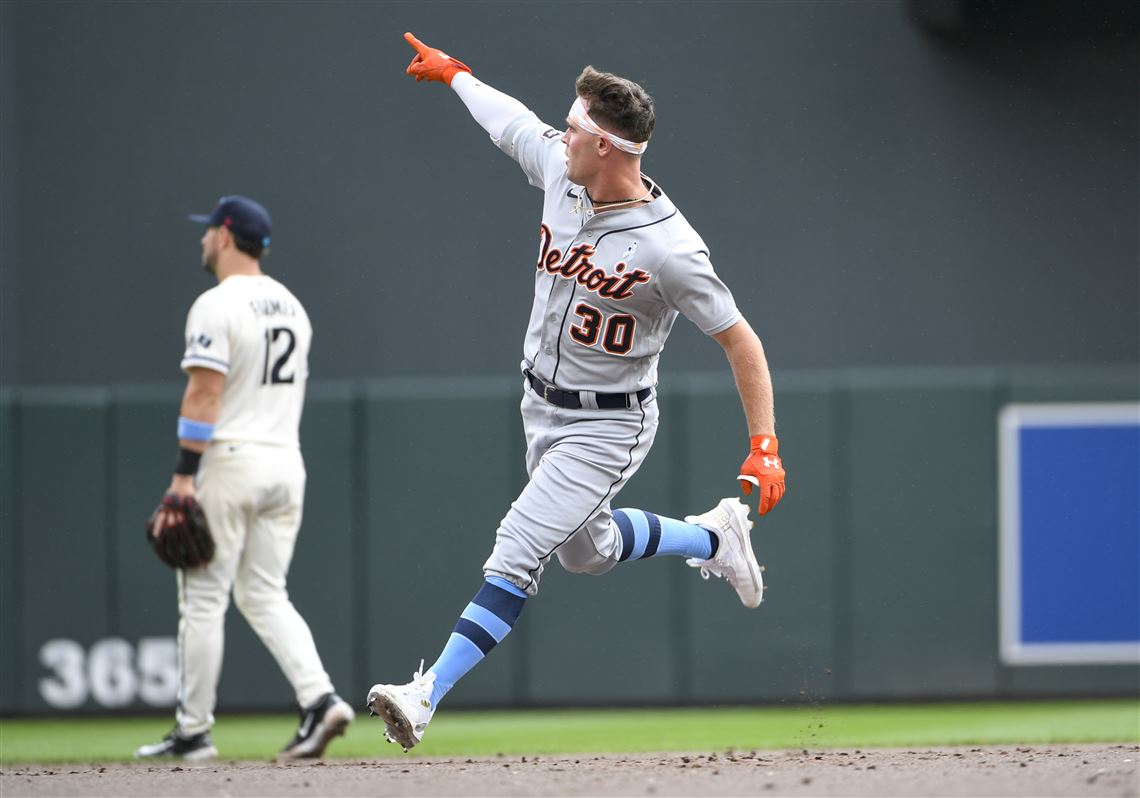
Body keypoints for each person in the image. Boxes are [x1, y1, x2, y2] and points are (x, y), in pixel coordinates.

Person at [366, 35, 788, 752]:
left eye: (574, 129)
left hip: (609, 424)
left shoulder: (671, 247)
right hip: (539, 405)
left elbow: (740, 340)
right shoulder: (567, 176)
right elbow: (509, 122)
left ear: (608, 148)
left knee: (519, 545)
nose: (561, 136)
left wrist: (765, 445)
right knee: (585, 552)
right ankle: (713, 536)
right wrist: (456, 74)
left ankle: (426, 691)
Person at [135, 196, 354, 761]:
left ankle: (193, 731)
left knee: (204, 598)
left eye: (207, 230)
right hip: (286, 460)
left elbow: (204, 392)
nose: (202, 240)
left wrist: (184, 477)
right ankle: (320, 698)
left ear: (226, 235)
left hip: (232, 459)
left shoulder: (216, 303)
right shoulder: (292, 305)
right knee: (264, 592)